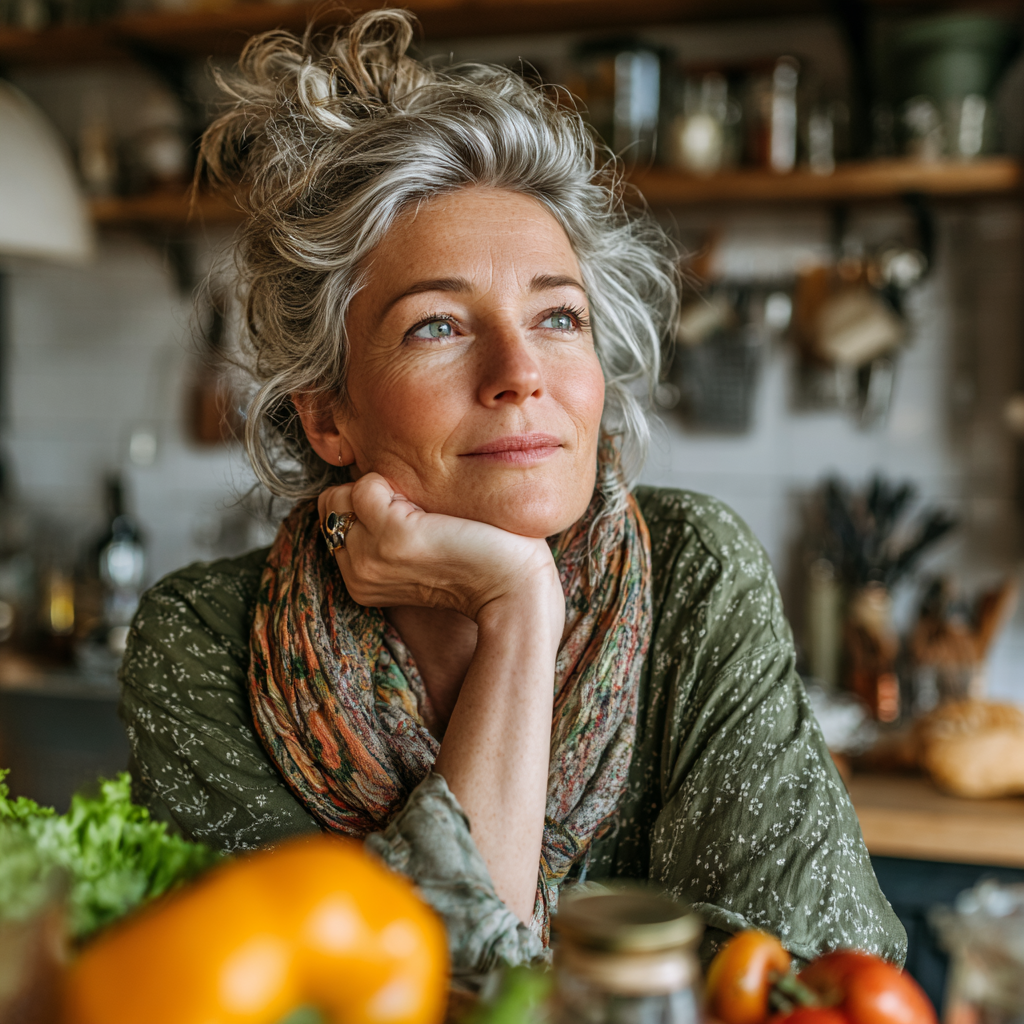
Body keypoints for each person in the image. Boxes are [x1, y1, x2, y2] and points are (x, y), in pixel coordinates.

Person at [120, 9, 906, 980]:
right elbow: (322, 1000)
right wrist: (519, 609)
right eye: (437, 327)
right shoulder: (204, 639)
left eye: (558, 316)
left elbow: (815, 981)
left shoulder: (693, 567)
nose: (520, 370)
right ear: (328, 417)